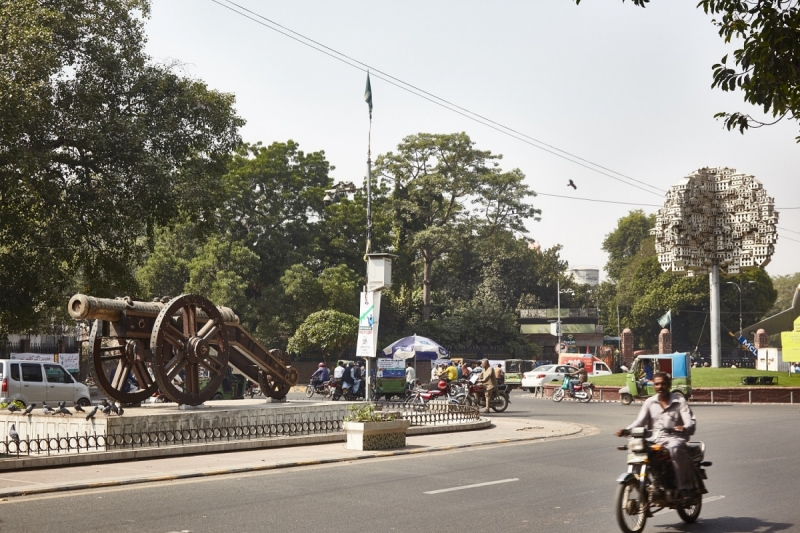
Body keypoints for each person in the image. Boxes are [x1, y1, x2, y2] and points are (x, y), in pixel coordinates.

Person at [615, 372, 696, 500]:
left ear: (669, 385)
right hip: (653, 439)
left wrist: (685, 427)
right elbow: (640, 422)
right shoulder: (649, 402)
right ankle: (646, 487)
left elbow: (689, 420)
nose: (660, 386)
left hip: (674, 438)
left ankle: (684, 487)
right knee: (636, 449)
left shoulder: (679, 401)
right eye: (657, 384)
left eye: (663, 383)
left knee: (675, 448)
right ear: (654, 385)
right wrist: (626, 430)